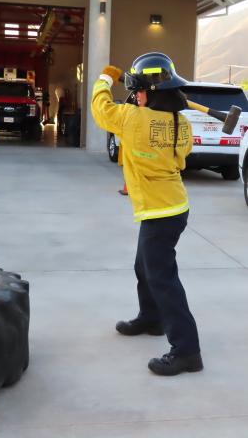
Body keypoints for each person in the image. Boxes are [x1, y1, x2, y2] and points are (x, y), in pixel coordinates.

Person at [91, 52, 203, 376]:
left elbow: (101, 109)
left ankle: (187, 350)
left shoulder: (131, 118)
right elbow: (184, 156)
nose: (135, 95)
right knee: (144, 265)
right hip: (173, 205)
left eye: (138, 89)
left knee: (162, 277)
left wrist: (104, 79)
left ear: (149, 92)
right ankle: (151, 318)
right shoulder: (182, 122)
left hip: (159, 211)